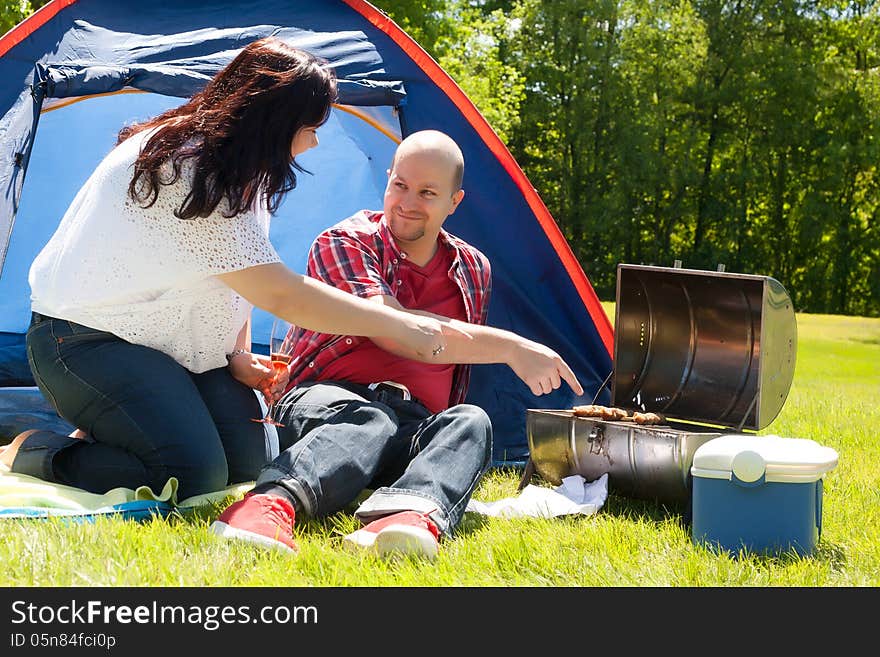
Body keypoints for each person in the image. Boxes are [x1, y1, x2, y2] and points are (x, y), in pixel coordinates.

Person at [0, 39, 465, 501]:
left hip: (173, 349)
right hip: (84, 342)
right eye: (311, 126)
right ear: (276, 121)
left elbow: (235, 277)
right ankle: (37, 451)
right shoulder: (186, 168)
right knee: (191, 474)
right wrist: (399, 323)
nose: (316, 140)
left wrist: (239, 353)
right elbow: (280, 294)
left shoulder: (244, 171)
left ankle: (123, 429)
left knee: (250, 464)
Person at [211, 130, 584, 559]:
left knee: (471, 422)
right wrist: (512, 347)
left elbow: (452, 368)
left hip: (408, 422)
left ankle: (405, 516)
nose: (407, 203)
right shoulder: (345, 242)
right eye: (400, 185)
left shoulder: (473, 268)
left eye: (427, 192)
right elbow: (396, 329)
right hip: (325, 406)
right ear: (387, 178)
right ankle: (266, 505)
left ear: (454, 202)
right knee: (371, 419)